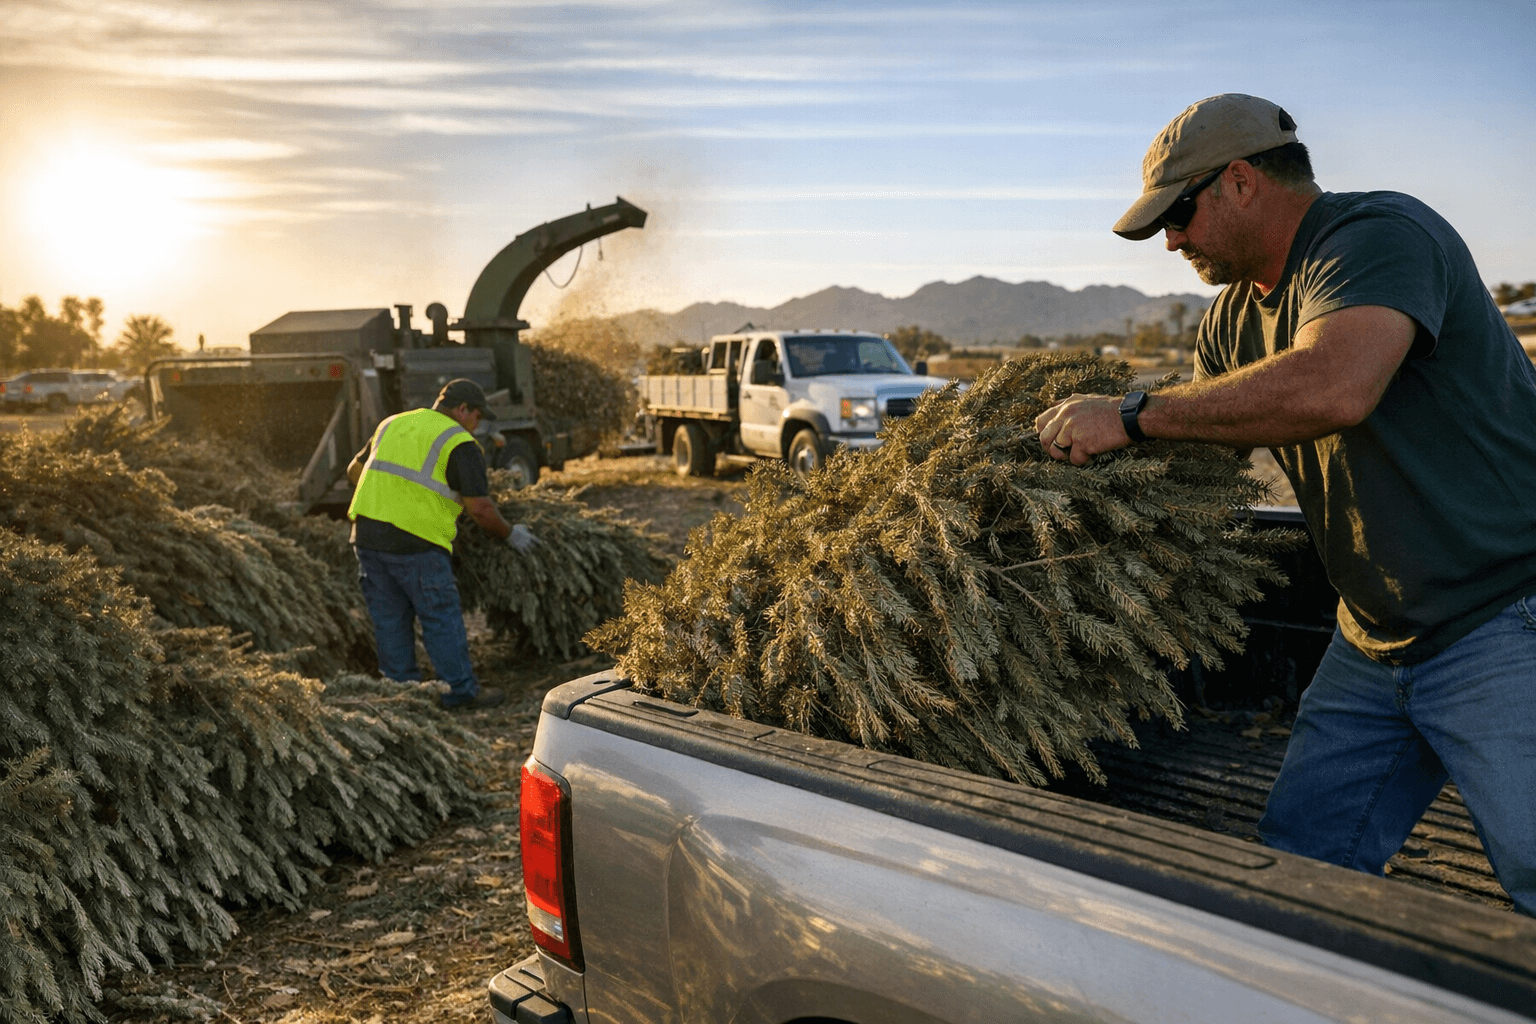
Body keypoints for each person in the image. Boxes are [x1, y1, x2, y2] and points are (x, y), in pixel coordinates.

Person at [1034, 93, 1536, 914]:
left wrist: (1131, 414)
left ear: (1239, 181)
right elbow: (1210, 447)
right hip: (1374, 639)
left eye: (1180, 213)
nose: (1171, 240)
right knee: (1299, 874)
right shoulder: (1230, 322)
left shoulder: (1377, 237)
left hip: (1505, 620)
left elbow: (1336, 385)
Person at [347, 378, 539, 710]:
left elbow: (354, 470)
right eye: (477, 416)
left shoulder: (392, 422)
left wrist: (395, 498)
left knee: (389, 619)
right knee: (439, 617)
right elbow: (480, 509)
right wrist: (511, 534)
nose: (478, 424)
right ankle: (461, 692)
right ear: (462, 409)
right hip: (416, 543)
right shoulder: (459, 442)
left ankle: (402, 695)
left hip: (366, 537)